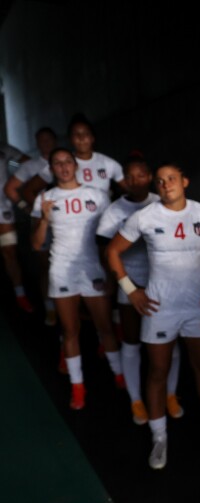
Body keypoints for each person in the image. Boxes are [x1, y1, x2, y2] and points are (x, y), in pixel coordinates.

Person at [106, 162, 200, 470]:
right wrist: (131, 290)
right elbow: (112, 251)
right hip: (159, 307)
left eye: (172, 179)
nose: (166, 184)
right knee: (157, 373)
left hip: (198, 306)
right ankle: (159, 436)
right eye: (160, 181)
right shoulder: (145, 216)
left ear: (185, 181)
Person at [31, 147, 125, 409]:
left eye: (67, 162)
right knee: (70, 330)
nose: (63, 167)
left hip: (92, 267)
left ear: (75, 166)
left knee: (105, 327)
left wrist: (109, 270)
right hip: (61, 269)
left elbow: (110, 238)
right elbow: (37, 244)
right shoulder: (45, 199)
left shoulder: (96, 195)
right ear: (52, 169)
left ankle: (119, 375)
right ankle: (78, 386)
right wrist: (44, 220)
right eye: (57, 163)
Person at [96, 155, 182, 425]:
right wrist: (120, 283)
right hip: (130, 285)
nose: (135, 181)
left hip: (163, 284)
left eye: (141, 175)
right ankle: (136, 400)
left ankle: (170, 394)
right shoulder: (115, 211)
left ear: (150, 177)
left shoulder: (161, 203)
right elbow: (106, 249)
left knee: (171, 344)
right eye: (129, 176)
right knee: (132, 342)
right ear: (124, 180)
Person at [4, 127, 57, 320]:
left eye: (48, 139)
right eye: (41, 140)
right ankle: (50, 307)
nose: (45, 143)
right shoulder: (33, 167)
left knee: (67, 263)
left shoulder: (65, 161)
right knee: (45, 266)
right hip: (41, 221)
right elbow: (13, 188)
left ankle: (72, 307)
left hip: (68, 222)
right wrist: (27, 208)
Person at [29, 114, 126, 199]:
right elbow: (28, 191)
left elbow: (132, 189)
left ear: (92, 138)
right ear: (70, 139)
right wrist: (43, 214)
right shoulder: (61, 164)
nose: (81, 138)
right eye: (76, 134)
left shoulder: (108, 163)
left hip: (103, 218)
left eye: (86, 134)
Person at [0, 139, 32, 312]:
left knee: (9, 251)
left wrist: (16, 177)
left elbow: (28, 162)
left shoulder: (5, 149)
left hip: (3, 208)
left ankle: (20, 294)